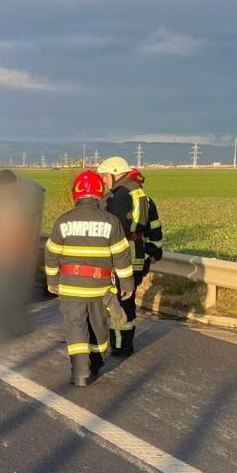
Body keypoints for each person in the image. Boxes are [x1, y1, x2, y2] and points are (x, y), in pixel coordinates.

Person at [45, 169, 134, 387]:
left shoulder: (63, 221)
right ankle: (95, 363)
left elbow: (51, 253)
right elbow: (122, 255)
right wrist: (127, 284)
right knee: (98, 327)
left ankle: (80, 373)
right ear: (99, 193)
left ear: (76, 193)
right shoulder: (111, 222)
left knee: (75, 327)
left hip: (70, 288)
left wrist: (52, 281)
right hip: (99, 287)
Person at [95, 156, 160, 357]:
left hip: (120, 257)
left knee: (116, 300)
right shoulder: (143, 197)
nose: (104, 181)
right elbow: (155, 228)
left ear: (115, 174)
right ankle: (125, 342)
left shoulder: (117, 197)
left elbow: (112, 230)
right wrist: (154, 251)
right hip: (138, 255)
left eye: (105, 177)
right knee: (127, 298)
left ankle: (119, 343)